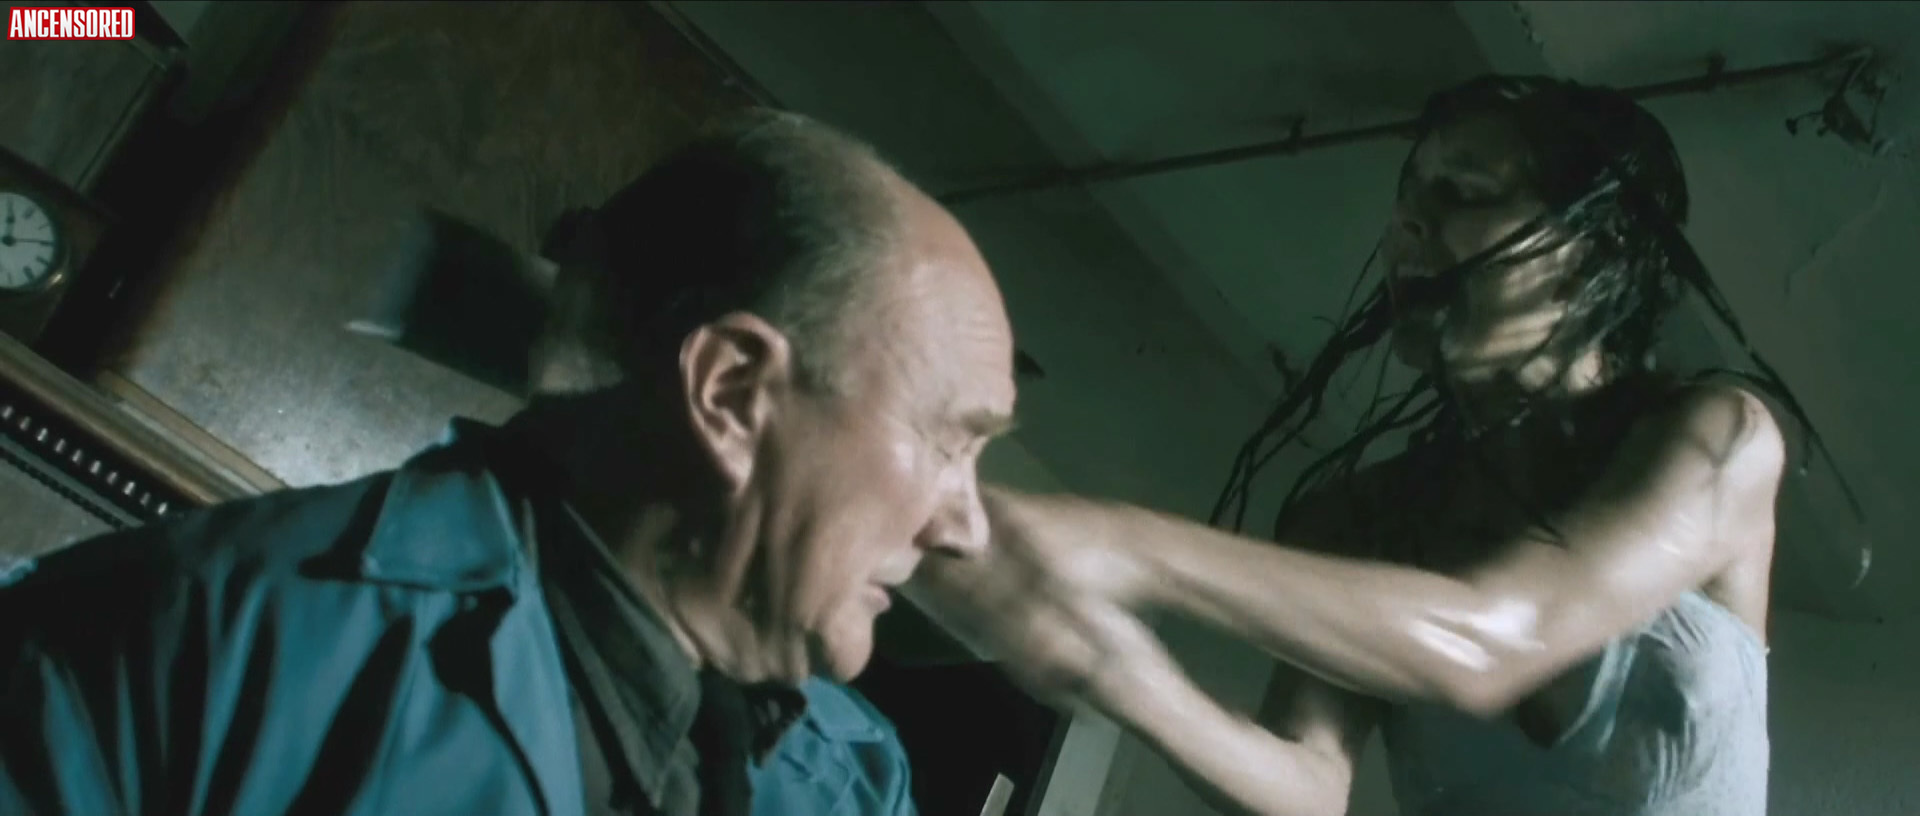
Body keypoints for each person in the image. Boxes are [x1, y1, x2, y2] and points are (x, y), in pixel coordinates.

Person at [0, 110, 1016, 816]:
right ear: (731, 393)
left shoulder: (859, 781)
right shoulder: (194, 640)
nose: (967, 526)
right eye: (950, 441)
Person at [911, 76, 1795, 816]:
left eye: (1463, 192)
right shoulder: (1364, 518)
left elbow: (1502, 640)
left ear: (1596, 250)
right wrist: (1117, 669)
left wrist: (1123, 544)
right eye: (1410, 194)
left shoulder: (1720, 442)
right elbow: (1309, 786)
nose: (1408, 222)